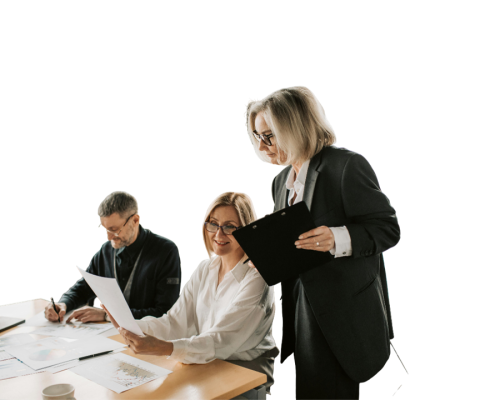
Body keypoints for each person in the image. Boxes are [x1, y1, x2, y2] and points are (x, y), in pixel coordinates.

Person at [243, 86, 400, 399]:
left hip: (347, 316)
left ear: (296, 127)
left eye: (269, 136)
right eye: (257, 136)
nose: (262, 146)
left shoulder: (346, 166)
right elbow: (295, 243)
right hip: (300, 313)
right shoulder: (280, 181)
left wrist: (337, 237)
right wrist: (267, 254)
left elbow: (388, 228)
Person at [102, 191, 279, 396]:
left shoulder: (257, 278)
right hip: (208, 365)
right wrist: (131, 327)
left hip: (246, 378)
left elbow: (219, 340)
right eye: (213, 224)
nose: (218, 234)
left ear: (246, 230)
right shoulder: (205, 268)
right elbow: (174, 323)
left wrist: (164, 348)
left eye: (230, 227)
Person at [44, 190, 181, 323]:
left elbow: (165, 313)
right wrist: (63, 304)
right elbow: (85, 287)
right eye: (105, 229)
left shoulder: (166, 251)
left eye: (114, 230)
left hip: (147, 335)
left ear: (135, 220)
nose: (109, 237)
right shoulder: (106, 250)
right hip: (109, 333)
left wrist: (107, 315)